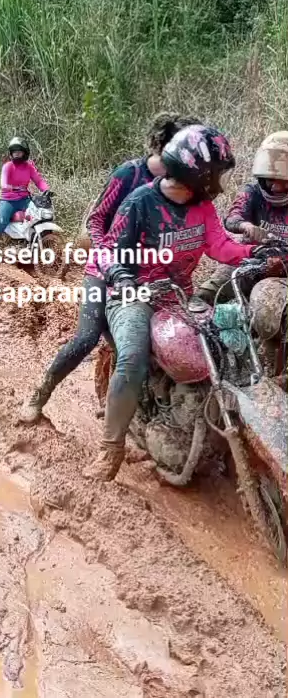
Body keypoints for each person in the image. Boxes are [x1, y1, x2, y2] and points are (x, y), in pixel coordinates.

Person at [83, 125, 263, 482]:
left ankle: (203, 423)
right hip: (134, 296)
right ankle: (111, 447)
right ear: (198, 173)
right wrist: (121, 275)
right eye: (217, 172)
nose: (220, 180)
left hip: (178, 296)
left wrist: (257, 252)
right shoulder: (140, 202)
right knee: (133, 358)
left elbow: (220, 246)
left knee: (229, 347)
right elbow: (107, 250)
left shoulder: (202, 206)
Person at [20, 113, 201, 424]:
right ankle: (40, 394)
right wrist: (111, 258)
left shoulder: (185, 185)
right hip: (104, 271)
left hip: (150, 276)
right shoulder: (129, 175)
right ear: (167, 147)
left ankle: (126, 406)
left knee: (156, 342)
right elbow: (96, 220)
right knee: (87, 337)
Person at [196, 130, 288, 303]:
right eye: (271, 180)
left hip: (283, 269)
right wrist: (246, 226)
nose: (276, 188)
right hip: (252, 259)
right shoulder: (252, 192)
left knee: (268, 308)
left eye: (284, 182)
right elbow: (232, 218)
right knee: (207, 295)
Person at [0, 137, 50, 253]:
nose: (16, 154)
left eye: (19, 151)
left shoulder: (29, 167)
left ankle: (38, 243)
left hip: (24, 200)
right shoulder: (8, 166)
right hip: (8, 201)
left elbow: (39, 181)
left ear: (25, 153)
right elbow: (3, 183)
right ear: (11, 153)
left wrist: (46, 190)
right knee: (0, 222)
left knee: (40, 215)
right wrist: (10, 187)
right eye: (14, 151)